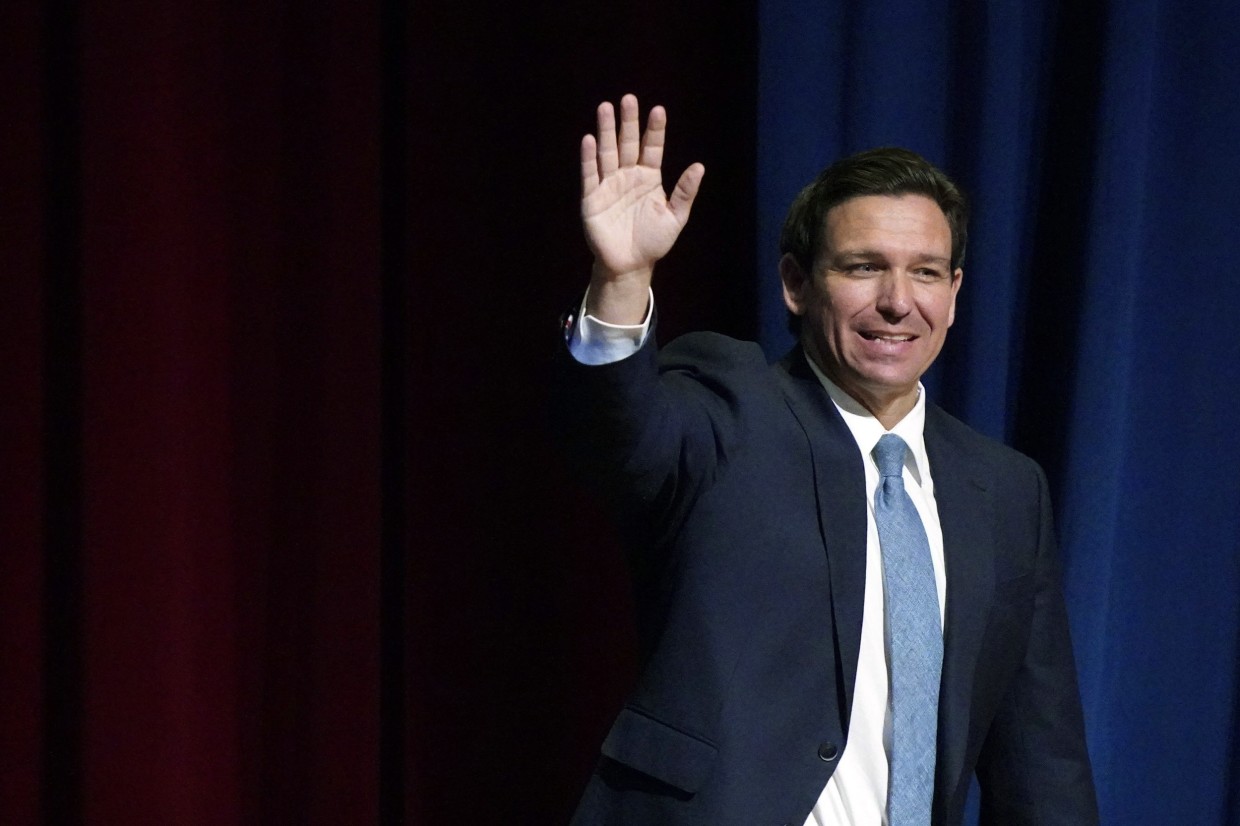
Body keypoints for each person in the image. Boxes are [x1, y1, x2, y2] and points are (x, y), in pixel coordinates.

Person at [554, 94, 1098, 825]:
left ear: (956, 293)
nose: (898, 301)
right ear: (796, 283)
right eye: (864, 267)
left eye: (927, 272)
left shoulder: (1004, 488)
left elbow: (1042, 761)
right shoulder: (728, 409)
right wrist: (619, 284)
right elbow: (618, 443)